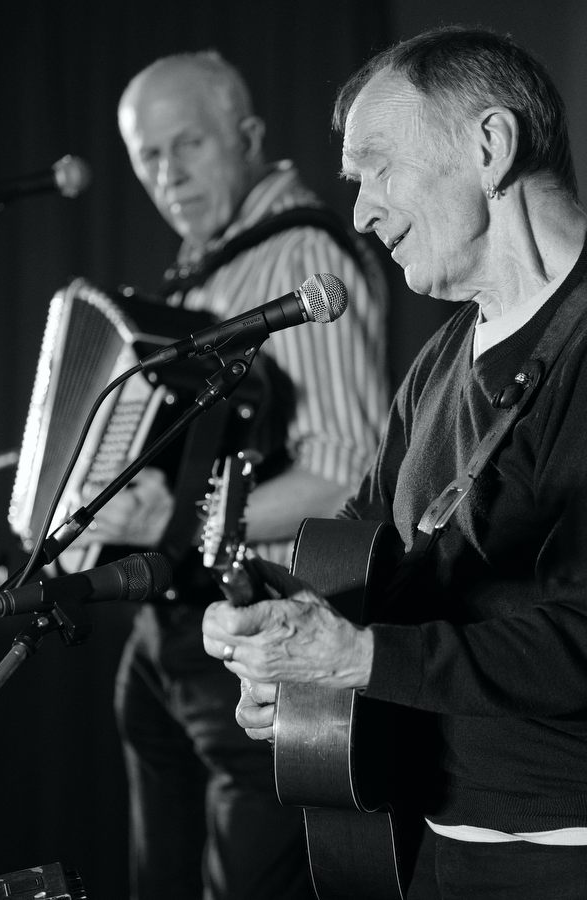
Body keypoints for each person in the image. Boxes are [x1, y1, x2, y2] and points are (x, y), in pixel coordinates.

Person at [202, 25, 587, 900]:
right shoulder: (438, 365)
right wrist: (274, 639)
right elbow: (360, 565)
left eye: (378, 167)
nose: (363, 212)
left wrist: (356, 658)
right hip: (422, 843)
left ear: (491, 146)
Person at [74, 52, 388, 899]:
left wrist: (171, 522)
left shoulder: (295, 256)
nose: (169, 176)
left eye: (191, 147)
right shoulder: (204, 266)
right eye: (149, 157)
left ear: (247, 137)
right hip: (173, 631)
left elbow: (342, 466)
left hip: (261, 629)